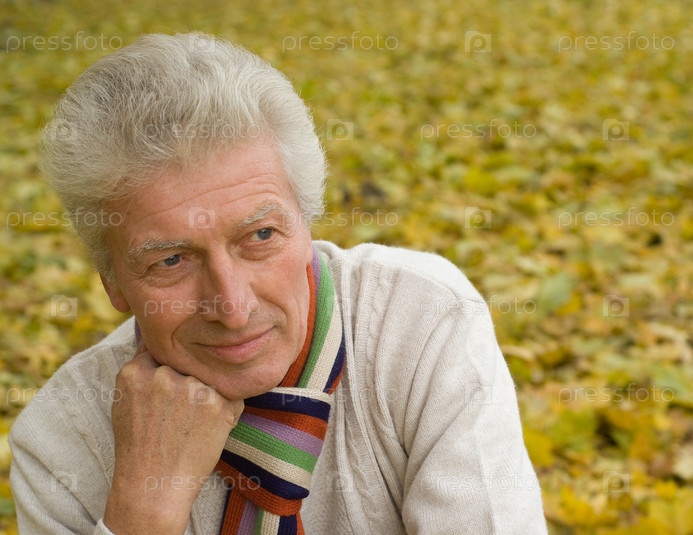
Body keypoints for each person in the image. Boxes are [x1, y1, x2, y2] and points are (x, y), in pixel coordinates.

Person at [9, 33, 548, 534]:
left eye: (260, 236)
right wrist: (144, 509)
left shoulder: (424, 323)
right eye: (171, 260)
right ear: (113, 284)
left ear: (308, 219)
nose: (233, 307)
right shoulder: (61, 442)